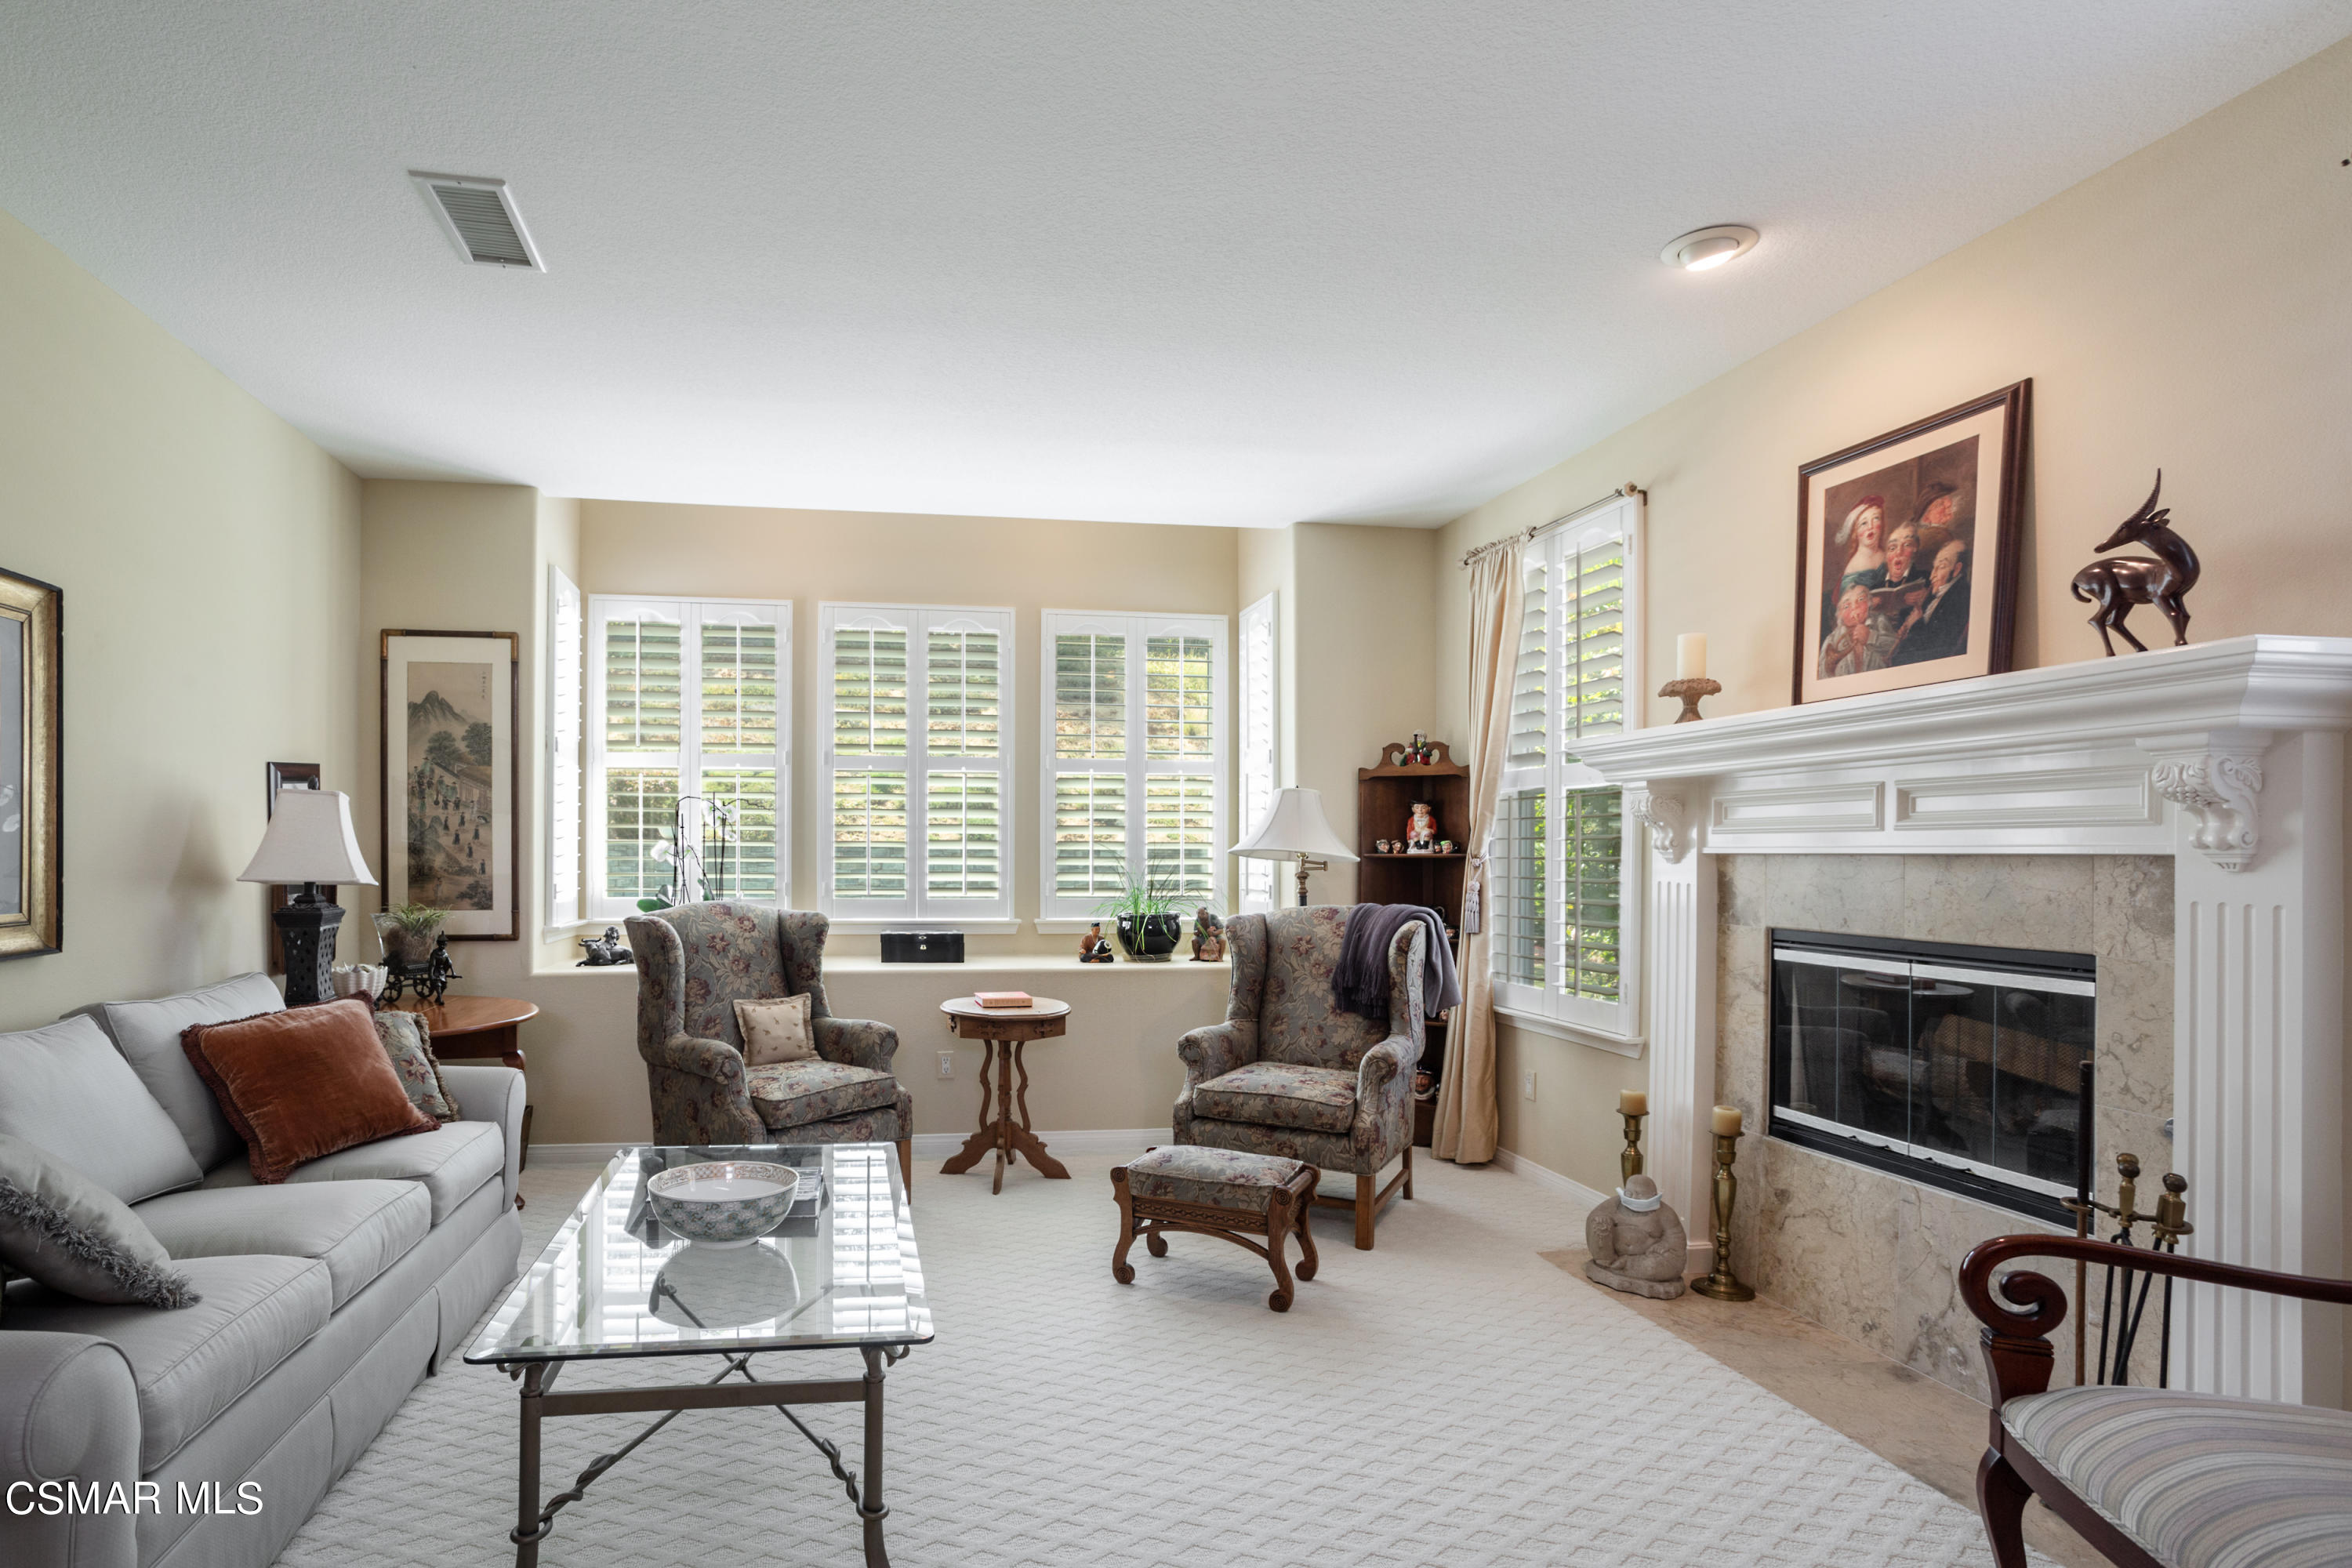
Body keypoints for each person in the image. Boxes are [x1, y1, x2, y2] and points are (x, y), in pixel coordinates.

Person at [1892, 539, 1972, 665]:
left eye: (1941, 567)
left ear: (1957, 569)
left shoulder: (1961, 596)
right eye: (1934, 567)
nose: (1932, 576)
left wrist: (1916, 624)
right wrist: (1906, 630)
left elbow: (1937, 647)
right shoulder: (1939, 591)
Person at [1818, 582, 1889, 678]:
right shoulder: (1831, 640)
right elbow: (1823, 674)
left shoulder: (1880, 621)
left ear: (1869, 604)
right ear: (1840, 614)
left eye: (1860, 599)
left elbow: (1896, 647)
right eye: (1847, 606)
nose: (1855, 607)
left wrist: (1871, 637)